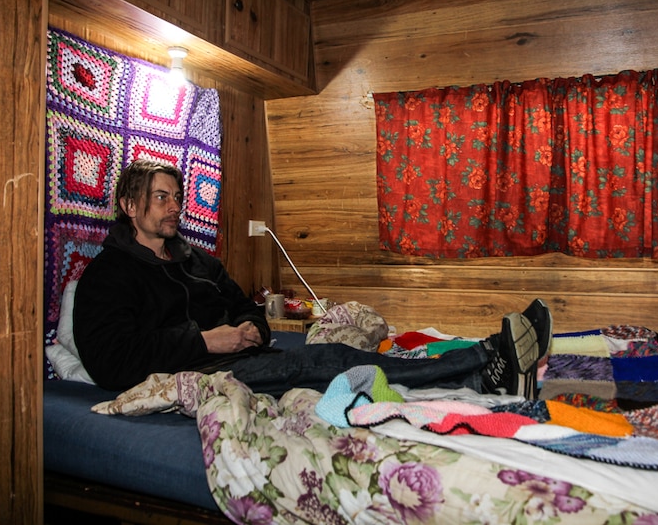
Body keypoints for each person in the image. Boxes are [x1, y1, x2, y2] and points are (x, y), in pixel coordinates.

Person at [73, 159, 552, 399]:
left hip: (241, 356)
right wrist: (203, 342)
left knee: (335, 361)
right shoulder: (109, 275)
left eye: (176, 196)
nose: (175, 205)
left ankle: (483, 375)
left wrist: (251, 330)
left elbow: (248, 308)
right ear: (129, 206)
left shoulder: (196, 259)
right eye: (160, 198)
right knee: (329, 362)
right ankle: (486, 358)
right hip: (195, 375)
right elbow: (112, 363)